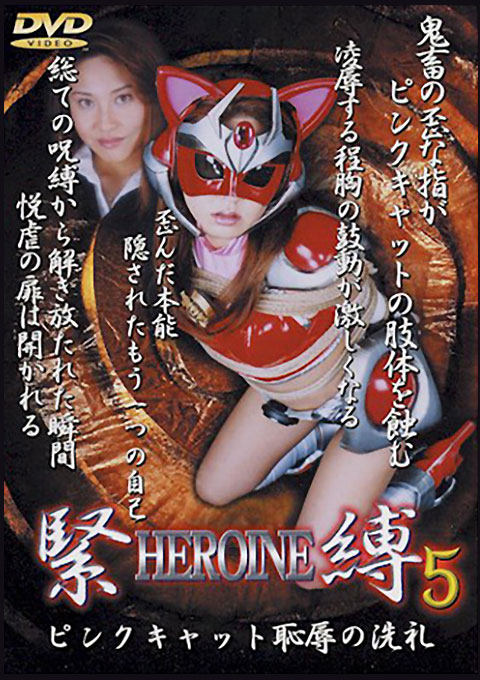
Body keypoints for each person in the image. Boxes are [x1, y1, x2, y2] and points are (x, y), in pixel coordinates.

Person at [144, 66, 470, 587]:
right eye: (209, 168)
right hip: (295, 390)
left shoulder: (307, 244)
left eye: (256, 176)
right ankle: (322, 432)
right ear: (173, 161)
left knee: (312, 572)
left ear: (282, 178)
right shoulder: (184, 247)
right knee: (215, 488)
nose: (229, 198)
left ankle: (415, 481)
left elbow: (365, 306)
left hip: (374, 385)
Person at [67, 18, 167, 222]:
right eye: (86, 102)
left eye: (123, 98)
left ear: (153, 94)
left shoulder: (185, 180)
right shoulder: (47, 178)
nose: (105, 124)